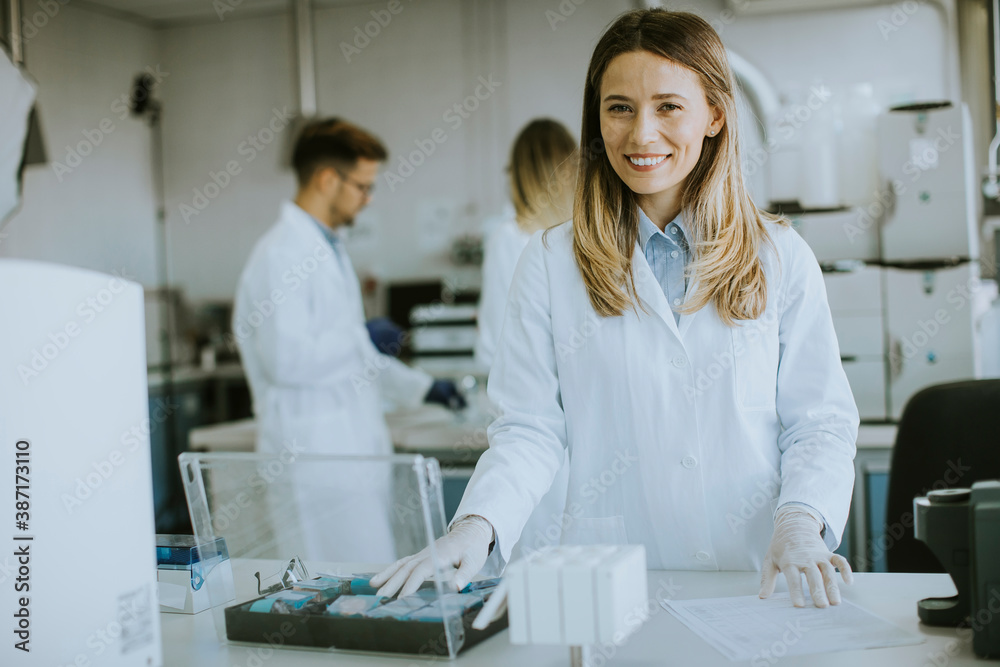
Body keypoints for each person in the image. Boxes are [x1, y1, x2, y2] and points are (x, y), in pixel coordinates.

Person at [372, 9, 858, 609]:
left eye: (668, 107)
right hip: (606, 585)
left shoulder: (779, 256)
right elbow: (529, 429)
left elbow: (820, 422)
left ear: (714, 114)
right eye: (619, 107)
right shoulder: (551, 261)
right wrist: (476, 524)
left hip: (753, 578)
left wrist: (801, 520)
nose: (641, 134)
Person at [232, 118, 463, 560]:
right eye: (362, 186)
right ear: (326, 179)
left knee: (364, 581)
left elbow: (355, 358)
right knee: (331, 590)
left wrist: (421, 387)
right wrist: (361, 337)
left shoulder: (326, 249)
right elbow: (287, 359)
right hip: (311, 458)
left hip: (344, 454)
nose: (368, 198)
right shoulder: (282, 254)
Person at [475, 118, 576, 368]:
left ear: (519, 175)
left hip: (528, 390)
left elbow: (495, 340)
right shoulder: (587, 232)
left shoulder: (509, 237)